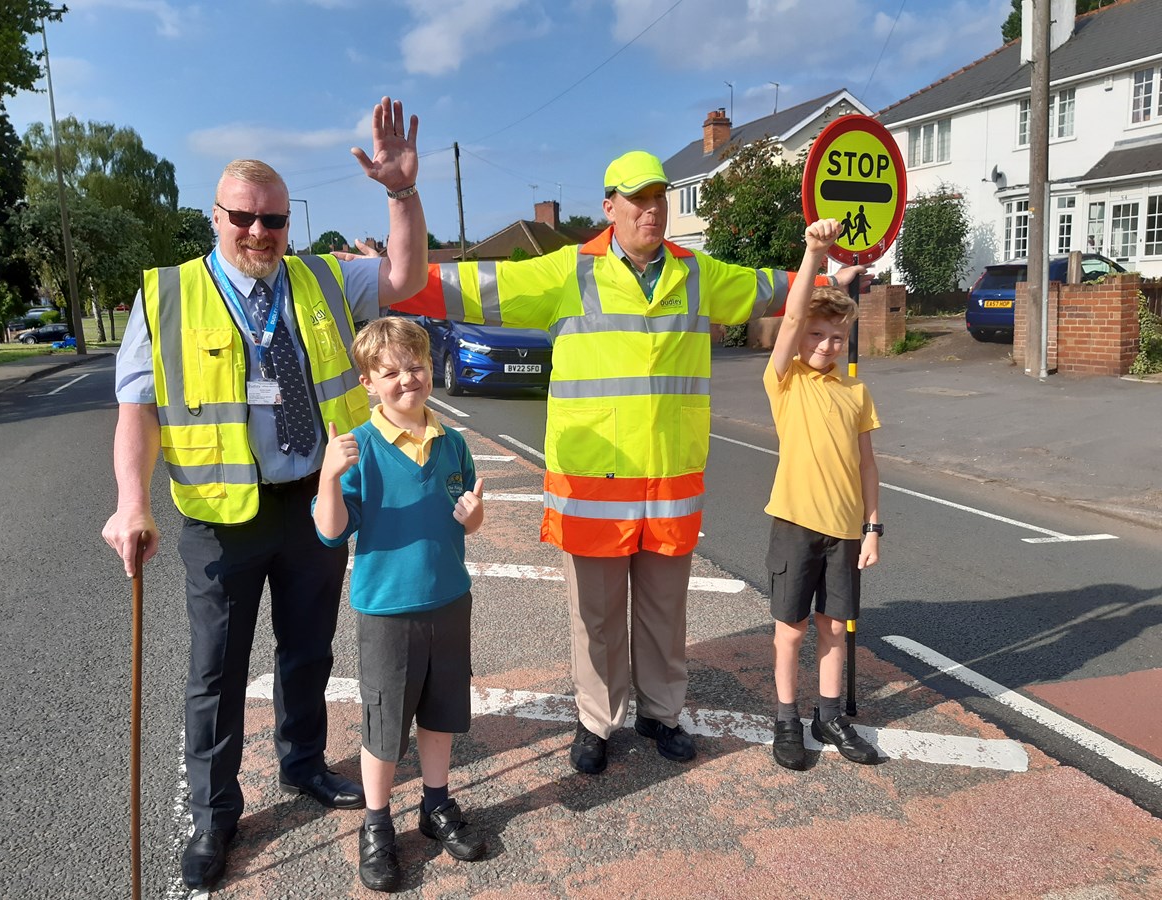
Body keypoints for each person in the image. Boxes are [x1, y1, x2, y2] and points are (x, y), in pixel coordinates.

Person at [388, 150, 865, 775]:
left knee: (666, 613)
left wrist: (821, 268)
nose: (653, 209)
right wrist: (381, 275)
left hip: (669, 481)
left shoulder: (697, 273)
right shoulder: (569, 271)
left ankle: (662, 714)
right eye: (638, 199)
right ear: (609, 207)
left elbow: (771, 290)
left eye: (660, 196)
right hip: (592, 484)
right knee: (597, 619)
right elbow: (468, 286)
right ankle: (596, 721)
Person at [100, 97, 428, 891]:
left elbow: (405, 275)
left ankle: (303, 763)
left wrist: (401, 195)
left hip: (313, 503)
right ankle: (214, 817)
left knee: (308, 649)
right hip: (219, 518)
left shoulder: (317, 277)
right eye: (244, 218)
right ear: (215, 217)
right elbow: (137, 412)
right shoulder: (168, 294)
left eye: (274, 220)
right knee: (216, 670)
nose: (260, 233)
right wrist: (131, 501)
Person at [312, 317, 486, 892]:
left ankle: (435, 807)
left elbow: (468, 506)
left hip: (449, 600)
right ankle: (376, 824)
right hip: (387, 609)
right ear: (367, 381)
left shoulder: (452, 441)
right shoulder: (358, 447)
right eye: (390, 372)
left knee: (440, 715)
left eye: (416, 367)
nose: (407, 380)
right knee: (385, 724)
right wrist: (330, 480)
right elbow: (331, 532)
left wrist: (475, 516)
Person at [763, 218, 882, 772]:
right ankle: (787, 718)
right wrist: (816, 255)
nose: (826, 344)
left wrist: (872, 527)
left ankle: (828, 715)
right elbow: (790, 319)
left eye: (836, 336)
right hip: (794, 522)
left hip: (844, 529)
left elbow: (866, 463)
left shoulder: (856, 391)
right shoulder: (785, 381)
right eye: (817, 334)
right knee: (792, 629)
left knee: (835, 627)